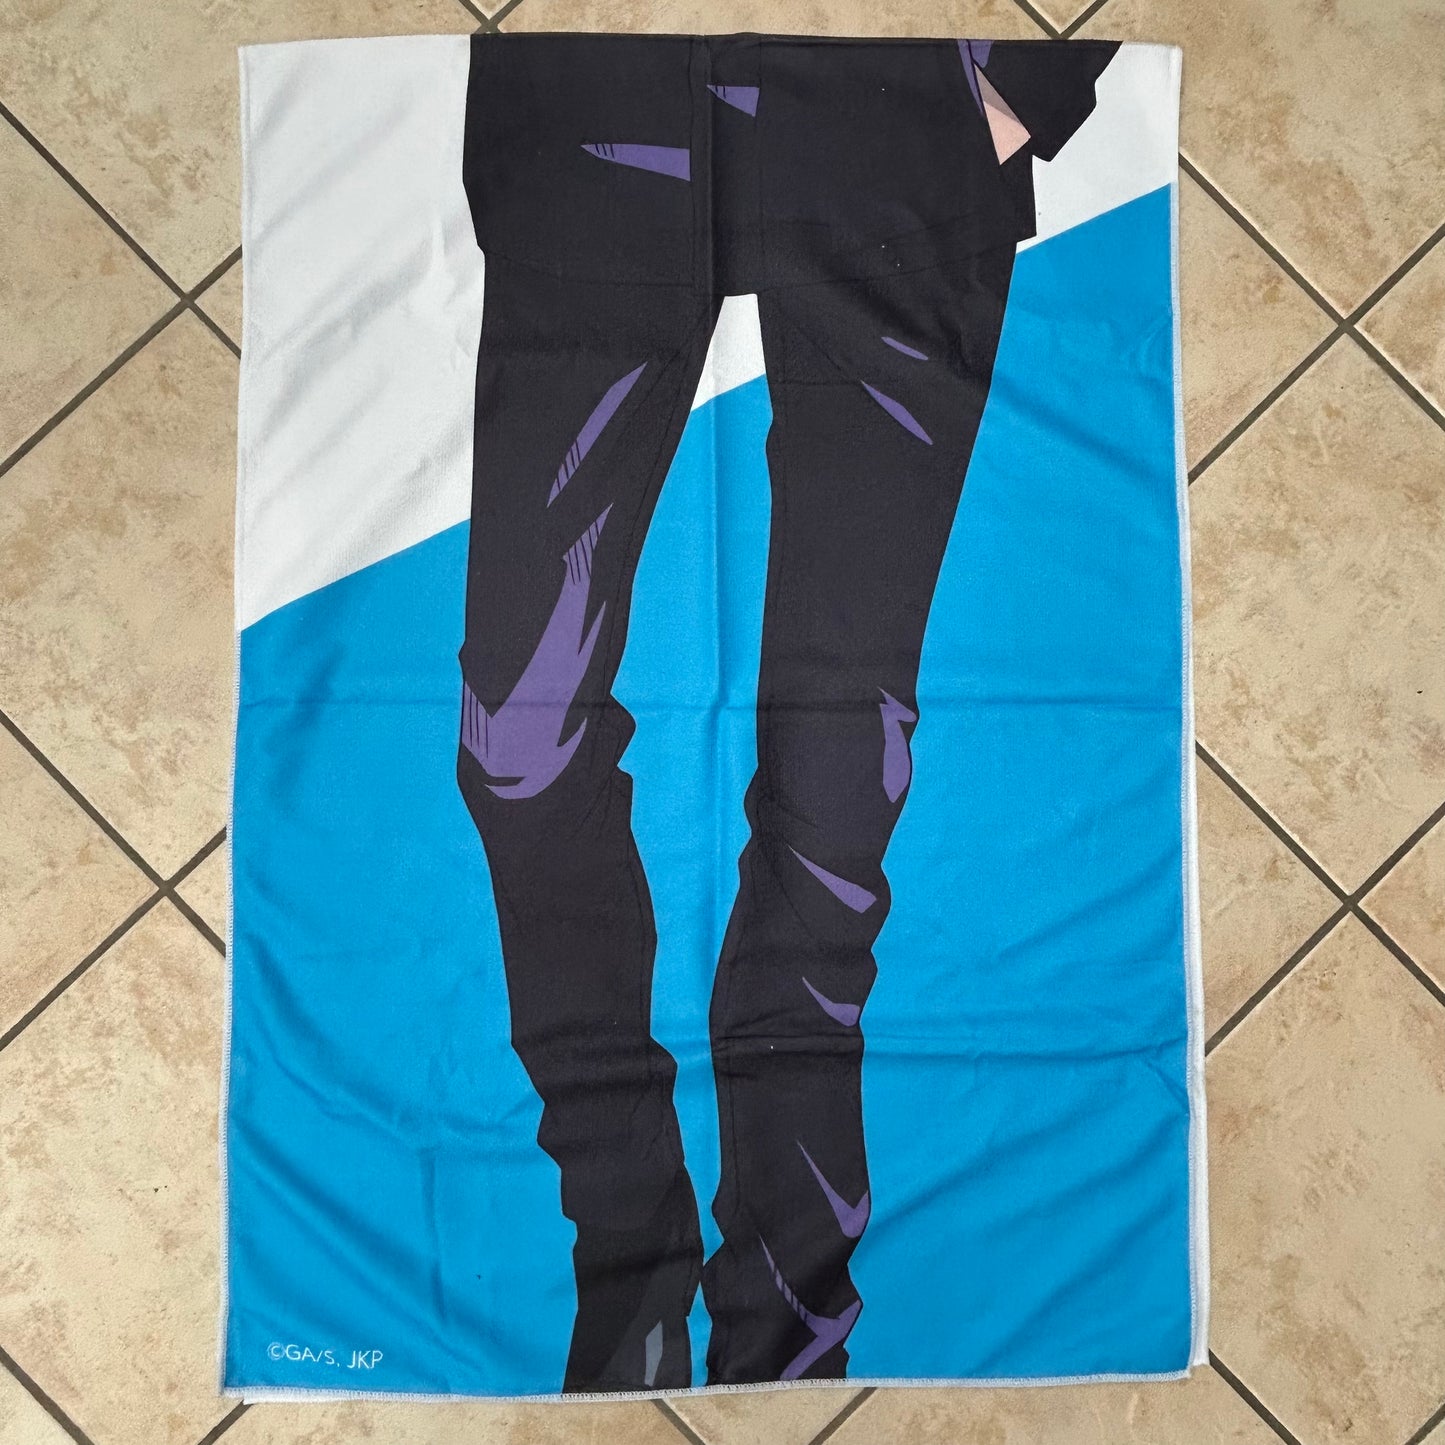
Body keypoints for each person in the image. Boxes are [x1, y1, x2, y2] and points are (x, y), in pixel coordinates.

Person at [456, 32, 1118, 1391]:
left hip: (899, 129)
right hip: (600, 117)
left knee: (836, 776)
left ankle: (789, 1322)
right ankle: (628, 1263)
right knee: (518, 740)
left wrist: (1030, 83)